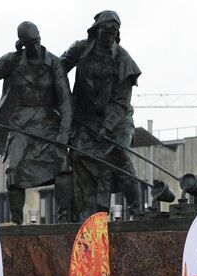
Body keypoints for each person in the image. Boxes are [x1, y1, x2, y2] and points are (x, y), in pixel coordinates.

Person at [0, 21, 73, 224]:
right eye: (30, 43)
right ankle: (16, 221)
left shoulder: (54, 64)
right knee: (14, 169)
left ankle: (64, 219)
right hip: (18, 124)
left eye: (37, 41)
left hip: (48, 122)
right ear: (22, 43)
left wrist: (63, 133)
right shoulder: (12, 61)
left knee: (62, 164)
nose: (35, 46)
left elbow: (65, 101)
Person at [60, 10, 142, 220]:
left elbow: (120, 102)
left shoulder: (123, 61)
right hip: (85, 120)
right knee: (78, 156)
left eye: (113, 34)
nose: (108, 37)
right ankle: (89, 209)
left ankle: (137, 209)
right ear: (97, 31)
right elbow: (58, 70)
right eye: (105, 32)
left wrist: (106, 128)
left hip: (117, 121)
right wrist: (64, 102)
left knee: (119, 157)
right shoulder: (80, 48)